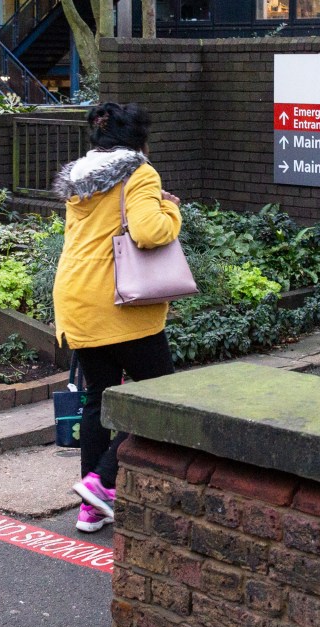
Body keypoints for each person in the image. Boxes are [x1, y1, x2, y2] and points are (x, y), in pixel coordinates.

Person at [51, 102, 181, 533]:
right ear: (138, 142)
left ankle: (90, 507)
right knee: (159, 398)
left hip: (77, 298)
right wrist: (170, 209)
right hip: (120, 303)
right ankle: (103, 482)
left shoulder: (79, 178)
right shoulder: (139, 174)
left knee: (98, 400)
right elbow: (149, 232)